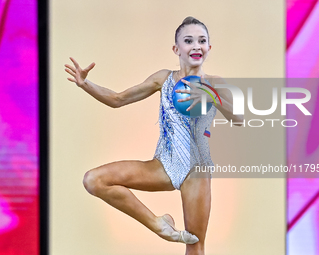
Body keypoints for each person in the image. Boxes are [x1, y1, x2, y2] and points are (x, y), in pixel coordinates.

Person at [65, 16, 243, 255]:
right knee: (93, 180)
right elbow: (118, 100)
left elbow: (239, 120)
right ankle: (158, 225)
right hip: (163, 165)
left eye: (202, 41)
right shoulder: (163, 79)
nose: (196, 46)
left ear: (209, 48)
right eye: (188, 41)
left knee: (195, 245)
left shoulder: (214, 83)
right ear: (176, 49)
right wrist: (85, 84)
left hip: (196, 172)